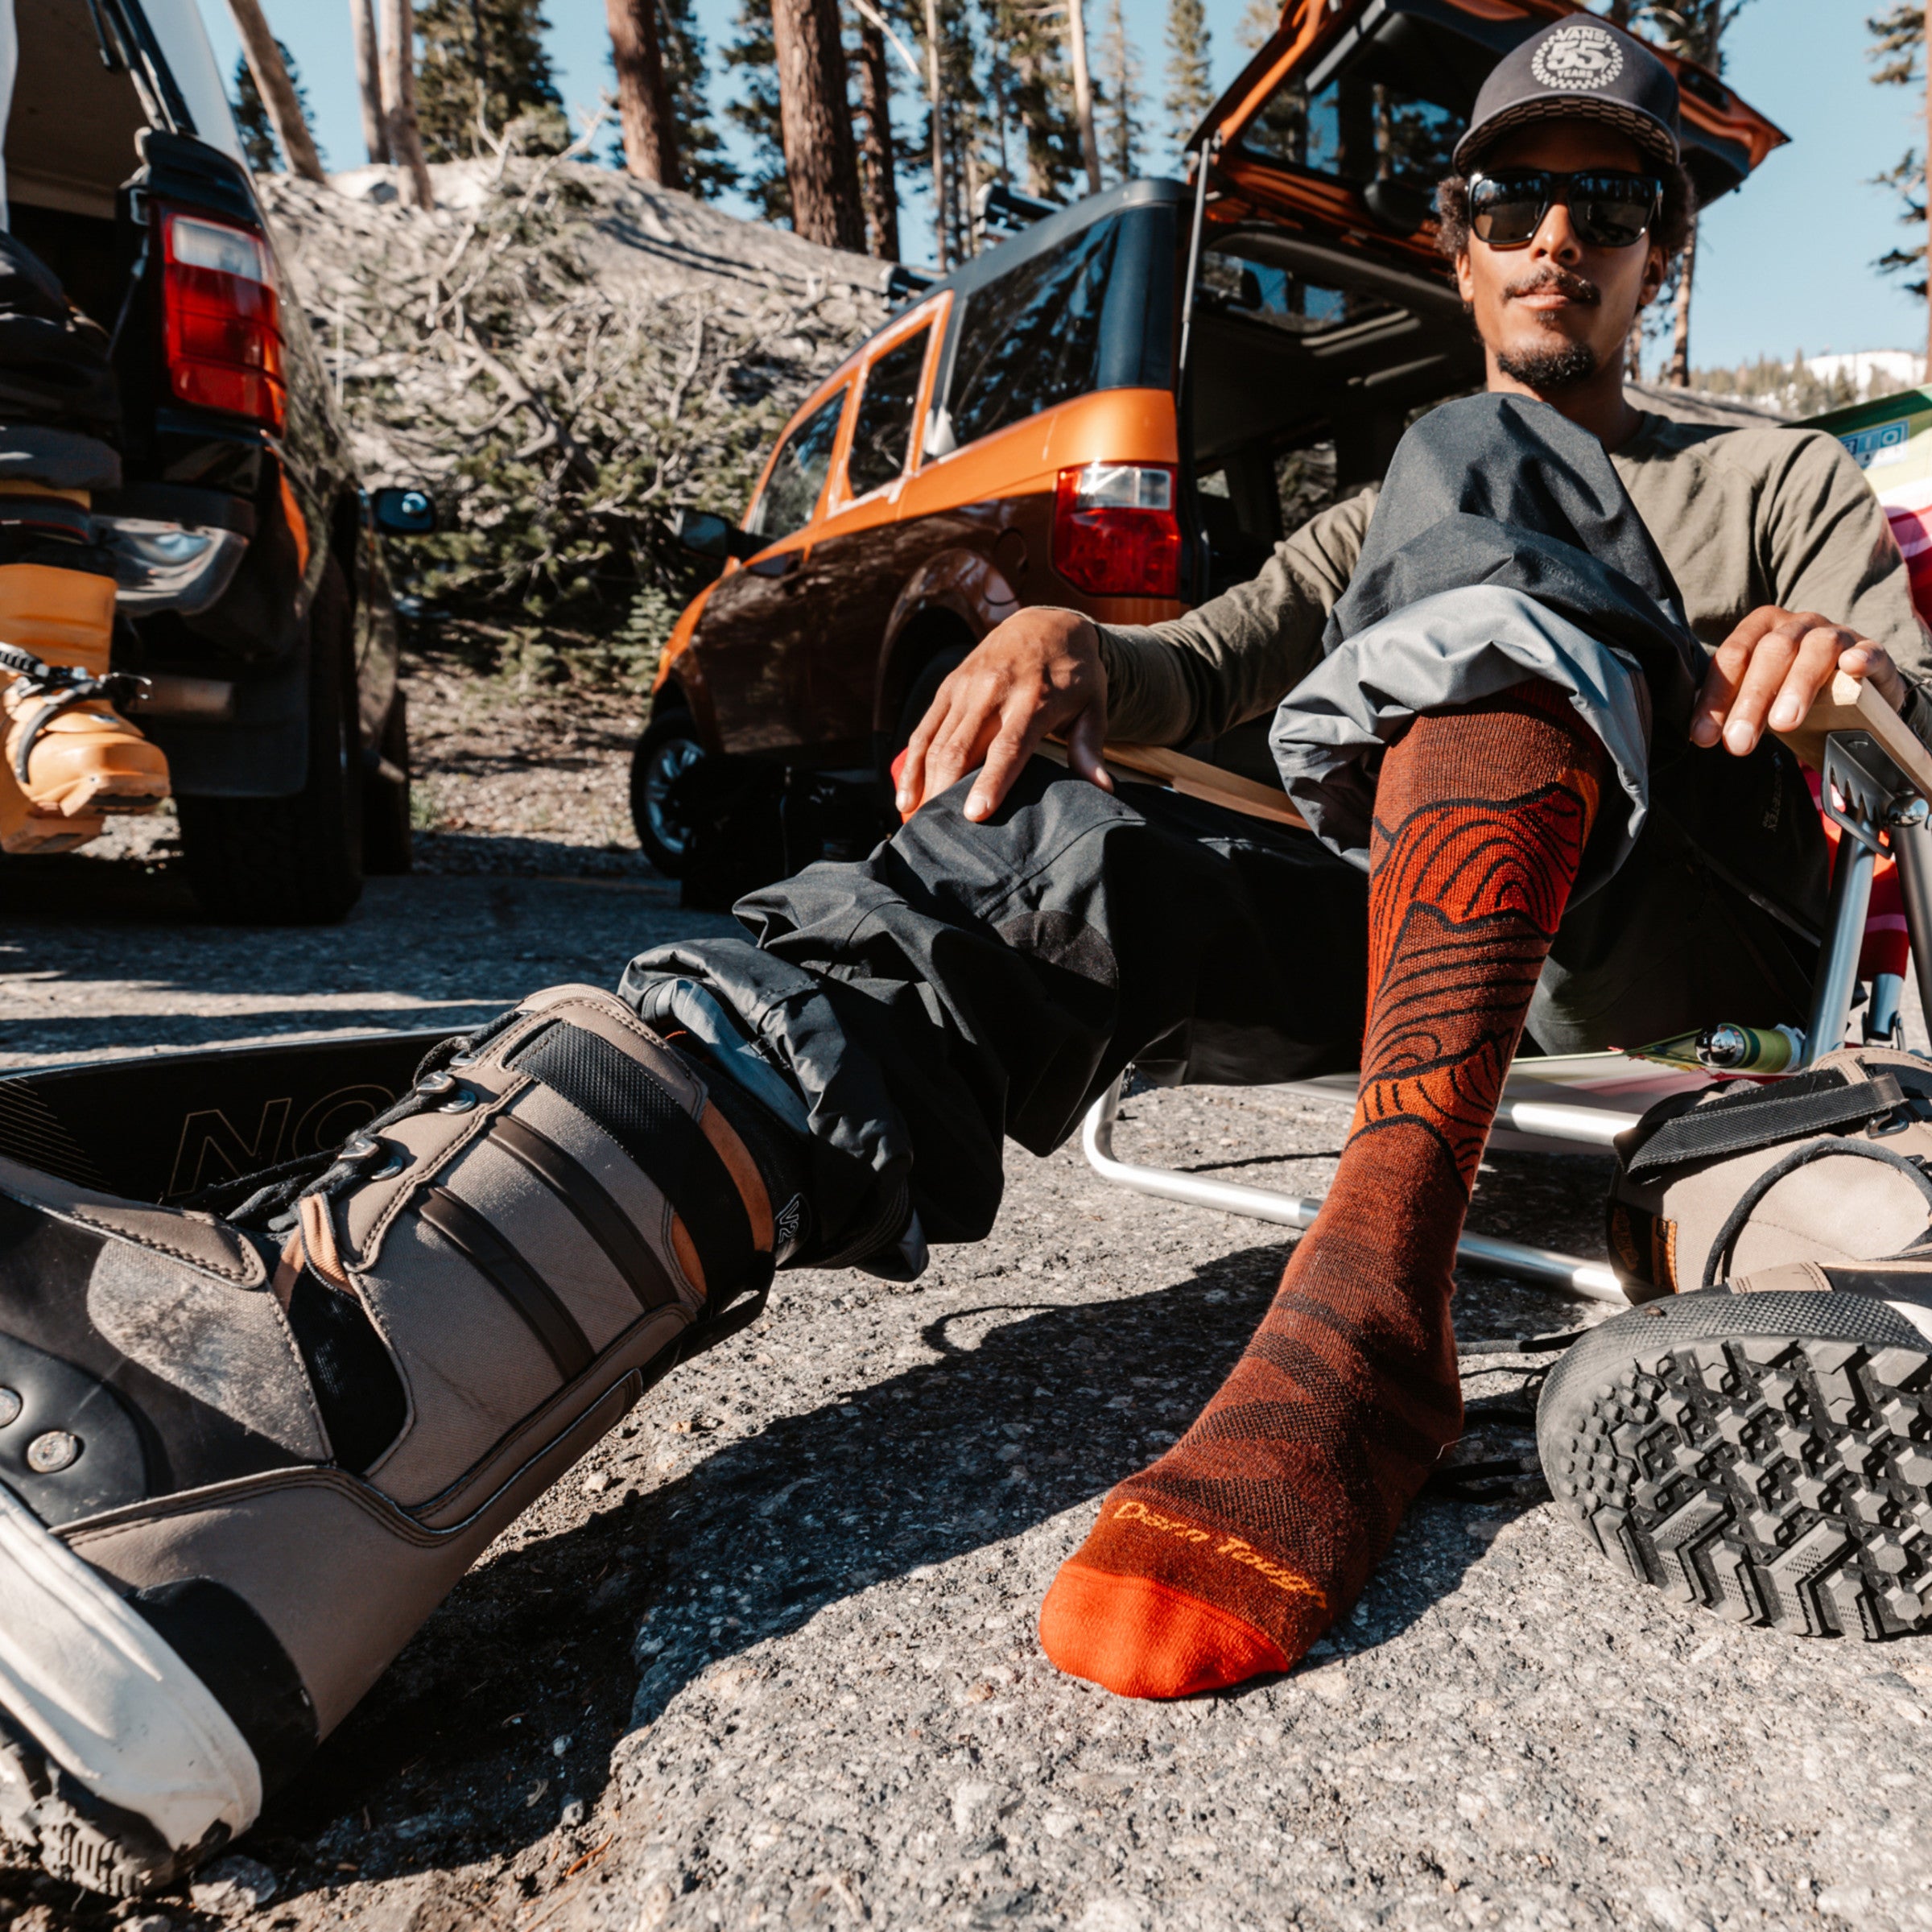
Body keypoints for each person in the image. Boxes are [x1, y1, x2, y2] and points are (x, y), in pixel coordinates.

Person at [0, 14, 1925, 1895]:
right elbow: (1200, 670)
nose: (1559, 235)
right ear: (1457, 231)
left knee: (1476, 470)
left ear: (1666, 248)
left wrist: (1842, 678)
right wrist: (1075, 643)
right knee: (1044, 845)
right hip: (1419, 927)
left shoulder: (1775, 481)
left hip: (1679, 939)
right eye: (1515, 193)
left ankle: (1373, 1301)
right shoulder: (1389, 509)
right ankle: (344, 1401)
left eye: (1615, 197)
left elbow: (1912, 724)